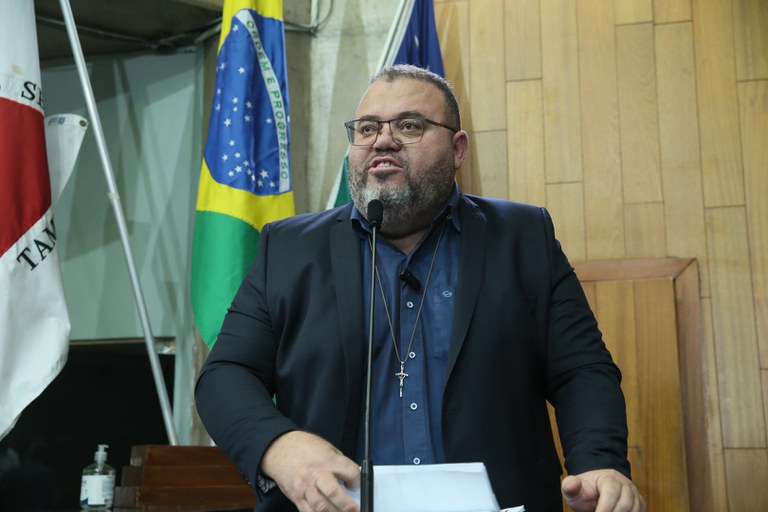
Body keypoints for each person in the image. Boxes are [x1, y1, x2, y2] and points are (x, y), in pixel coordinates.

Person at [195, 64, 645, 512]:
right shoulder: (289, 248)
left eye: (409, 126)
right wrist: (280, 447)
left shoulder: (523, 237)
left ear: (457, 149)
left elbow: (581, 370)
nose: (383, 140)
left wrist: (599, 463)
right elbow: (225, 374)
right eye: (367, 128)